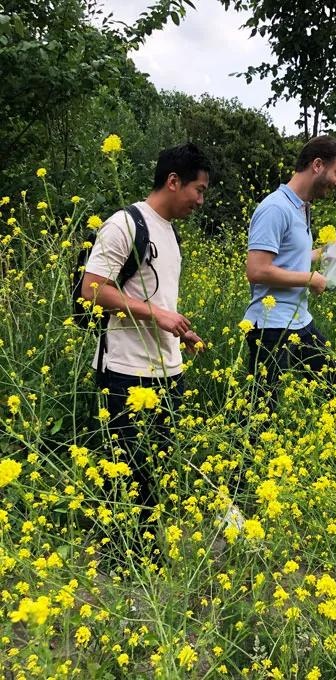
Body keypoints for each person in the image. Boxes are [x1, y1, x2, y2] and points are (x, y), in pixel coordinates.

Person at [82, 142, 210, 529]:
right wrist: (159, 315)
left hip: (167, 371)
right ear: (173, 181)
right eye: (199, 190)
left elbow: (156, 299)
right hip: (126, 371)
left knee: (155, 472)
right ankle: (125, 554)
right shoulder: (125, 224)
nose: (201, 201)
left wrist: (180, 332)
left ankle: (142, 549)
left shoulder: (170, 233)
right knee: (130, 477)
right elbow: (91, 289)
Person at [242, 135, 336, 412]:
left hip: (298, 321)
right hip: (270, 326)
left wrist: (325, 252)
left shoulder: (300, 208)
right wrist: (309, 279)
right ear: (317, 165)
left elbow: (290, 257)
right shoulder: (275, 208)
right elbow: (256, 269)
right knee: (261, 414)